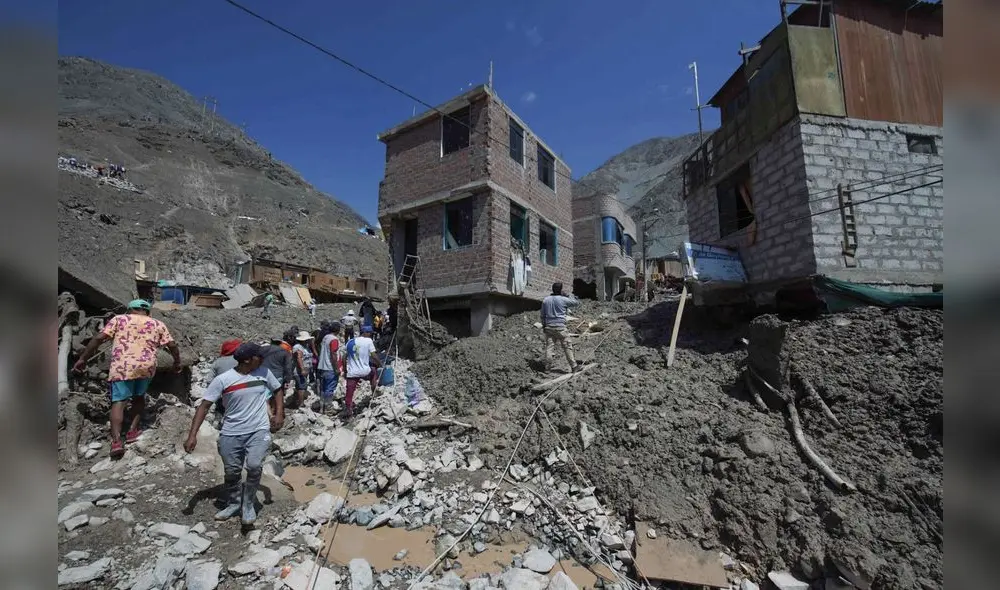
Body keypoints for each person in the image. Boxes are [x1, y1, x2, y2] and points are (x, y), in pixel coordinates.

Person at [183, 343, 283, 526]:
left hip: (259, 430)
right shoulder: (223, 380)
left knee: (254, 465)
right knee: (232, 471)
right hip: (231, 432)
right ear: (247, 360)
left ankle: (248, 504)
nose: (262, 359)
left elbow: (277, 390)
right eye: (259, 356)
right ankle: (234, 503)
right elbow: (204, 406)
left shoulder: (264, 373)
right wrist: (192, 435)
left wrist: (279, 414)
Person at [72, 299, 181, 458]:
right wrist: (177, 362)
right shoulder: (158, 324)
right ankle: (132, 432)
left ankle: (116, 442)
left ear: (130, 309)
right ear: (148, 312)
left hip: (123, 366)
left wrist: (83, 359)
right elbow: (172, 345)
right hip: (146, 366)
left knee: (119, 401)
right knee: (139, 396)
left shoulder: (119, 319)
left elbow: (99, 338)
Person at [540, 282, 582, 373]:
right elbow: (576, 303)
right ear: (561, 290)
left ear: (552, 289)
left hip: (549, 327)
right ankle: (574, 366)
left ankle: (547, 368)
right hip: (560, 327)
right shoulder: (563, 299)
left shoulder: (546, 300)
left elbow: (542, 315)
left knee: (549, 347)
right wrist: (569, 295)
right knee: (567, 346)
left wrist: (544, 325)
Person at [342, 324, 382, 418]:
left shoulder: (350, 342)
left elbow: (344, 357)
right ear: (366, 333)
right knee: (373, 371)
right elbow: (373, 355)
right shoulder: (368, 341)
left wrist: (345, 370)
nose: (371, 335)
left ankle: (348, 410)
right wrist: (380, 364)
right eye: (370, 333)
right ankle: (374, 390)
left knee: (349, 392)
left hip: (352, 373)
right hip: (365, 371)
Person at [261, 337, 295, 409]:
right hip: (277, 376)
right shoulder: (284, 352)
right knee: (276, 394)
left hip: (263, 374)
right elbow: (288, 367)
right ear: (280, 343)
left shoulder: (262, 349)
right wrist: (288, 379)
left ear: (271, 341)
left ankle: (267, 410)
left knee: (265, 395)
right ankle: (274, 410)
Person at [212, 338, 242, 418]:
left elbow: (209, 381)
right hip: (242, 394)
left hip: (224, 397)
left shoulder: (217, 362)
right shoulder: (241, 360)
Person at [316, 322, 342, 412]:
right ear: (338, 330)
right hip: (330, 367)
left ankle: (321, 407)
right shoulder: (334, 339)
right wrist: (336, 368)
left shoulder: (325, 337)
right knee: (329, 388)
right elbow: (333, 354)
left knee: (323, 388)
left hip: (322, 366)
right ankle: (328, 408)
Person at [291, 331, 314, 408]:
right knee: (302, 387)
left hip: (305, 369)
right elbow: (299, 358)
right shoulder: (298, 347)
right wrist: (302, 369)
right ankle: (301, 403)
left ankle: (297, 401)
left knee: (301, 385)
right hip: (299, 371)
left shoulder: (305, 346)